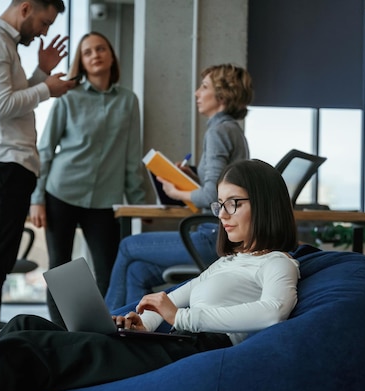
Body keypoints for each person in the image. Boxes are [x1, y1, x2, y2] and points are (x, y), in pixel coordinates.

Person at [0, 158, 300, 391]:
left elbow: (272, 311)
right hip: (172, 343)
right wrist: (138, 321)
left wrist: (181, 317)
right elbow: (172, 301)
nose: (223, 215)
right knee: (24, 324)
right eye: (220, 205)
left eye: (234, 204)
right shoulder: (229, 261)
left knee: (19, 350)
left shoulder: (277, 262)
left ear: (263, 204)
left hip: (195, 353)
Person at [0, 0, 75, 356]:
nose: (44, 31)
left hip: (9, 164)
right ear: (26, 8)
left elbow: (12, 102)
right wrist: (48, 89)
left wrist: (42, 74)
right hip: (0, 163)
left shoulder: (5, 44)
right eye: (43, 22)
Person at [105, 63, 254, 310]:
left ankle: (104, 328)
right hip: (219, 236)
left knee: (127, 245)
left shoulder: (218, 132)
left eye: (204, 87)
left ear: (223, 95)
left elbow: (210, 196)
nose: (197, 93)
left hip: (213, 237)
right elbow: (223, 184)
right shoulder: (231, 130)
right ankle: (132, 331)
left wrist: (175, 192)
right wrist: (191, 174)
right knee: (137, 272)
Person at [29, 32, 146, 327]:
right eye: (88, 51)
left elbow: (132, 157)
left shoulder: (128, 101)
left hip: (106, 199)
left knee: (109, 270)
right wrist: (37, 198)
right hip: (61, 193)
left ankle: (104, 332)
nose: (95, 55)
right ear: (81, 61)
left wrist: (141, 203)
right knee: (61, 270)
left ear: (111, 56)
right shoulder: (68, 96)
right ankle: (63, 335)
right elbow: (45, 148)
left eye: (101, 49)